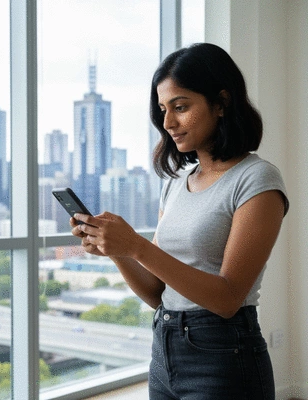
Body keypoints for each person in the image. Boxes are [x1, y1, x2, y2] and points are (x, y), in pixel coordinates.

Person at [70, 43, 289, 399]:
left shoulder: (257, 179)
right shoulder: (175, 184)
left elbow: (228, 298)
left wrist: (136, 245)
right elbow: (159, 294)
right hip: (164, 348)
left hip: (223, 357)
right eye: (162, 110)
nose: (168, 123)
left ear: (221, 103)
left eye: (181, 107)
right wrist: (118, 252)